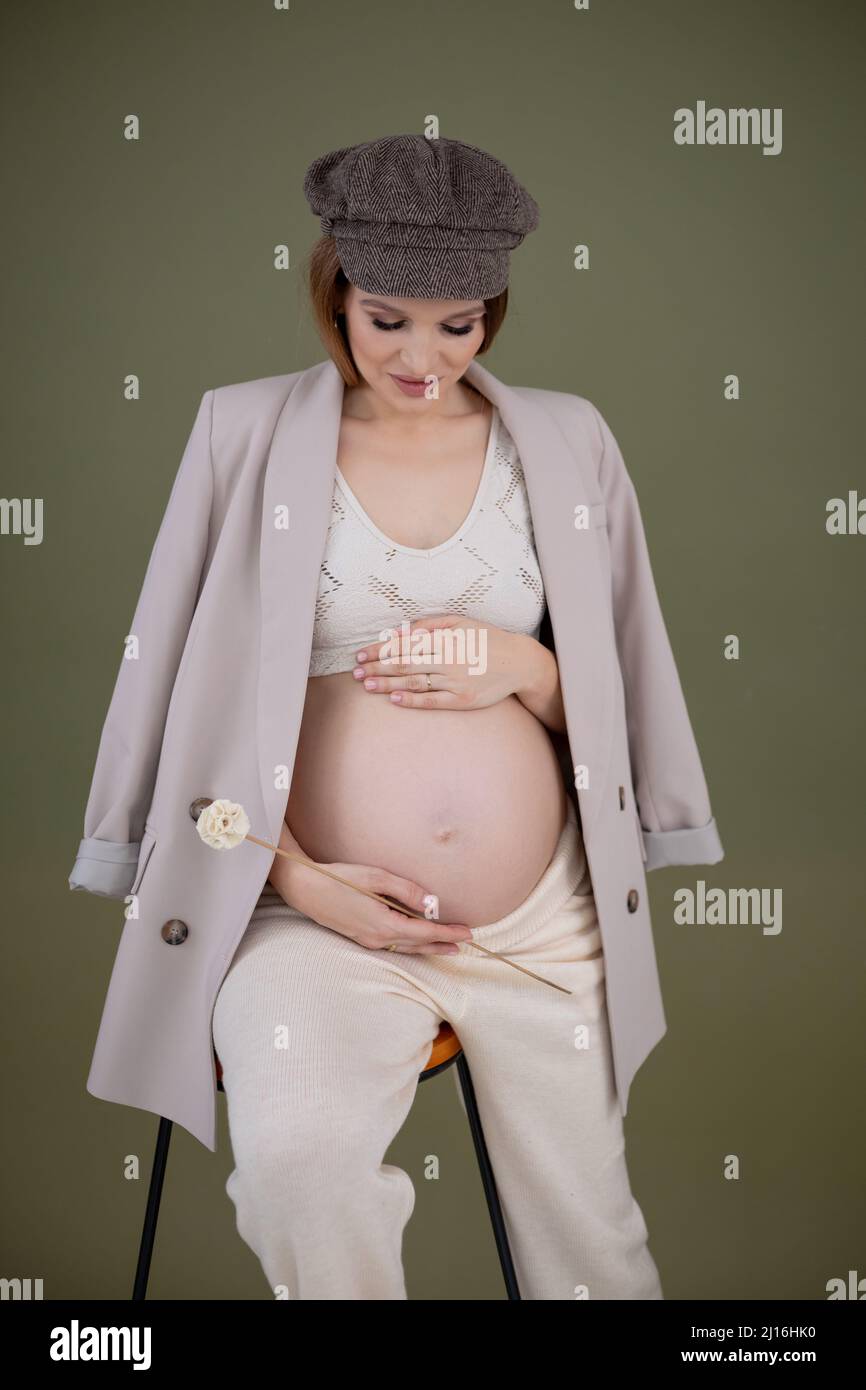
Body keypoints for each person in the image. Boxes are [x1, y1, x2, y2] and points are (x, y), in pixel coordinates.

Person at [210, 133, 666, 1300]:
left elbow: (624, 701)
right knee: (296, 1170)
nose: (424, 356)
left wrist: (521, 664)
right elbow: (189, 700)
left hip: (537, 928)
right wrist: (297, 880)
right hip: (314, 918)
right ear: (334, 296)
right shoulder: (242, 434)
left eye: (457, 323)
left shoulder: (563, 442)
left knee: (587, 1251)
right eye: (387, 319)